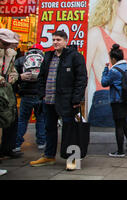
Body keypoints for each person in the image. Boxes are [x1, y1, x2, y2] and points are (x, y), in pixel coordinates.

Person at [30, 30, 87, 167]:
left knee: (70, 130)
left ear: (65, 41)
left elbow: (81, 79)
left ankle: (72, 159)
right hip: (48, 100)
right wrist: (41, 94)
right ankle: (49, 156)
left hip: (67, 101)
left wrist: (76, 99)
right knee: (49, 128)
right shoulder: (48, 56)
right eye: (54, 39)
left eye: (59, 40)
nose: (55, 42)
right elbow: (42, 77)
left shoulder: (75, 57)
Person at [101, 44, 127, 157]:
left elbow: (104, 82)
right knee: (124, 120)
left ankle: (120, 151)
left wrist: (106, 69)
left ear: (113, 59)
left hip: (118, 101)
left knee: (118, 125)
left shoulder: (114, 71)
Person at [13, 44, 46, 152]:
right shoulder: (44, 59)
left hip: (26, 95)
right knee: (41, 119)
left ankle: (17, 144)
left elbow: (13, 77)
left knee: (22, 120)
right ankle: (41, 142)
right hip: (39, 95)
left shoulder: (21, 60)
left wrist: (19, 91)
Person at [0, 28, 20, 176]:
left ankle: (6, 148)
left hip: (5, 91)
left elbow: (12, 70)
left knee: (10, 118)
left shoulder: (10, 54)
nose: (9, 46)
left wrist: (13, 76)